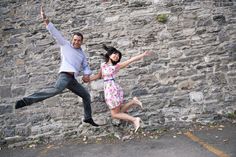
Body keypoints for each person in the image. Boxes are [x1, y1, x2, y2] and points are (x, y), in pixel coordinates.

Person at [15, 6, 99, 127]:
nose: (76, 42)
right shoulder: (65, 45)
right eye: (75, 40)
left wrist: (86, 74)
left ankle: (88, 117)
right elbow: (55, 33)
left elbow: (86, 66)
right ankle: (25, 101)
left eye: (79, 40)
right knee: (57, 89)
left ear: (82, 41)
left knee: (86, 95)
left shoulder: (82, 54)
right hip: (64, 75)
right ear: (72, 40)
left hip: (72, 80)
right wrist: (45, 19)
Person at [89, 45, 150, 132]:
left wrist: (142, 55)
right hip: (108, 89)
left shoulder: (116, 66)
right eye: (115, 54)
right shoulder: (103, 65)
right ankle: (133, 102)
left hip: (112, 89)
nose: (117, 56)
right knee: (119, 110)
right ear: (109, 55)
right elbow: (98, 76)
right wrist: (88, 79)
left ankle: (135, 119)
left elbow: (130, 60)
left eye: (118, 56)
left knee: (115, 114)